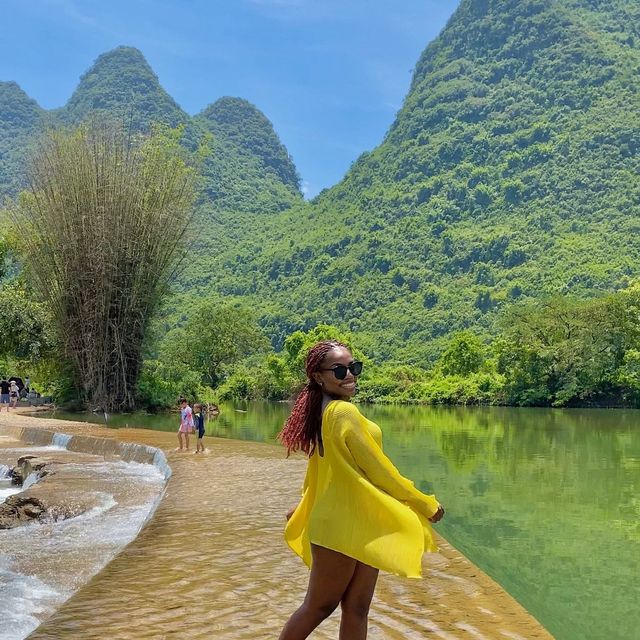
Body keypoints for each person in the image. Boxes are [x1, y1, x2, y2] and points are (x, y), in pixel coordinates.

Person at [278, 340, 445, 640]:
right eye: (340, 370)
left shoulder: (324, 409)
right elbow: (380, 471)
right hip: (342, 524)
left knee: (356, 609)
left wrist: (304, 501)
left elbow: (320, 467)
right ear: (319, 376)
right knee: (320, 606)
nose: (350, 376)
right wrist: (424, 504)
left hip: (362, 521)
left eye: (353, 368)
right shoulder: (342, 412)